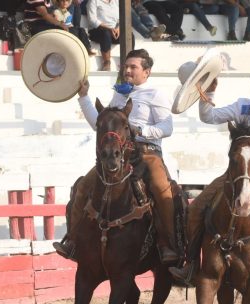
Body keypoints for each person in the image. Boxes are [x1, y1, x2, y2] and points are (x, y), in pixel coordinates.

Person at [169, 64, 250, 289]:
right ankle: (191, 264)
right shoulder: (243, 104)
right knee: (194, 210)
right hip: (234, 175)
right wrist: (209, 92)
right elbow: (209, 117)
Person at [53, 49, 180, 265]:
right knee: (83, 187)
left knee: (161, 189)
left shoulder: (155, 94)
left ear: (146, 72)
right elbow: (99, 124)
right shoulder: (120, 94)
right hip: (120, 155)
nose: (127, 70)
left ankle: (168, 244)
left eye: (133, 67)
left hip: (148, 154)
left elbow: (167, 127)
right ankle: (73, 241)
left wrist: (138, 130)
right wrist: (83, 97)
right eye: (126, 66)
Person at [87, 0, 130, 71]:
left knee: (129, 35)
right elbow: (92, 20)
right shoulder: (93, 1)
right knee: (105, 33)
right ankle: (106, 62)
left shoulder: (116, 1)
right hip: (97, 30)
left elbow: (120, 17)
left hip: (114, 30)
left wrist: (118, 28)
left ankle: (128, 62)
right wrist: (109, 28)